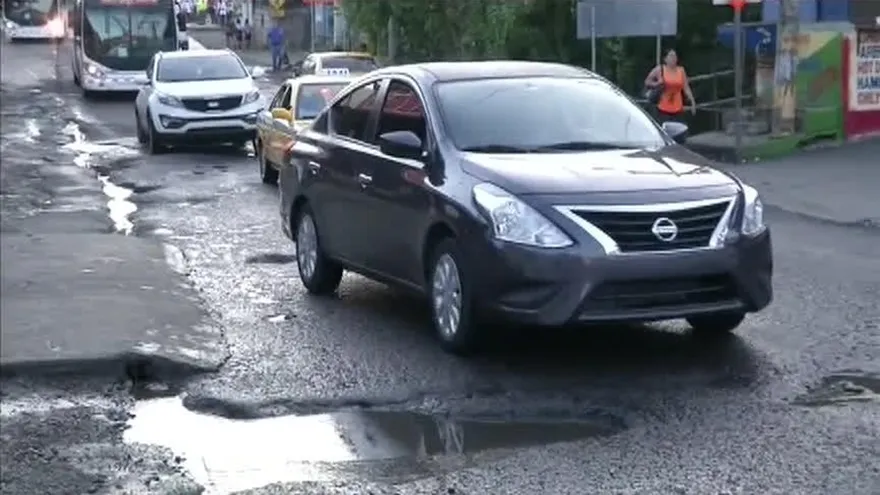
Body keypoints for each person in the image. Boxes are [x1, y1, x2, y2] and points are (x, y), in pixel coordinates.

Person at [644, 49, 696, 123]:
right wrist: (657, 83)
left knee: (680, 130)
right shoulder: (660, 69)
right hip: (663, 108)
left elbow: (686, 87)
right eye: (671, 56)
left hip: (678, 107)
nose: (674, 58)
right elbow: (647, 82)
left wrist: (692, 101)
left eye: (675, 56)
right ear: (665, 59)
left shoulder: (681, 70)